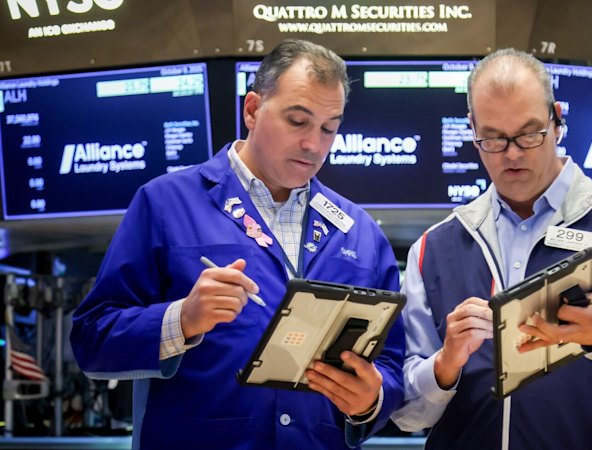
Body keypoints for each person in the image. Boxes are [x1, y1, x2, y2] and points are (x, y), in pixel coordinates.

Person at [70, 39, 404, 450]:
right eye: (297, 121)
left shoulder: (360, 232)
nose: (313, 145)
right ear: (252, 110)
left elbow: (392, 363)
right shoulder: (164, 203)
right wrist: (181, 320)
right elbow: (91, 340)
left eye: (328, 129)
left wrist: (371, 399)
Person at [390, 48, 592, 450]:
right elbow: (407, 414)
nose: (513, 153)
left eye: (529, 133)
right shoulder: (434, 248)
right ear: (472, 130)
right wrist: (444, 365)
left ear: (557, 121)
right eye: (493, 138)